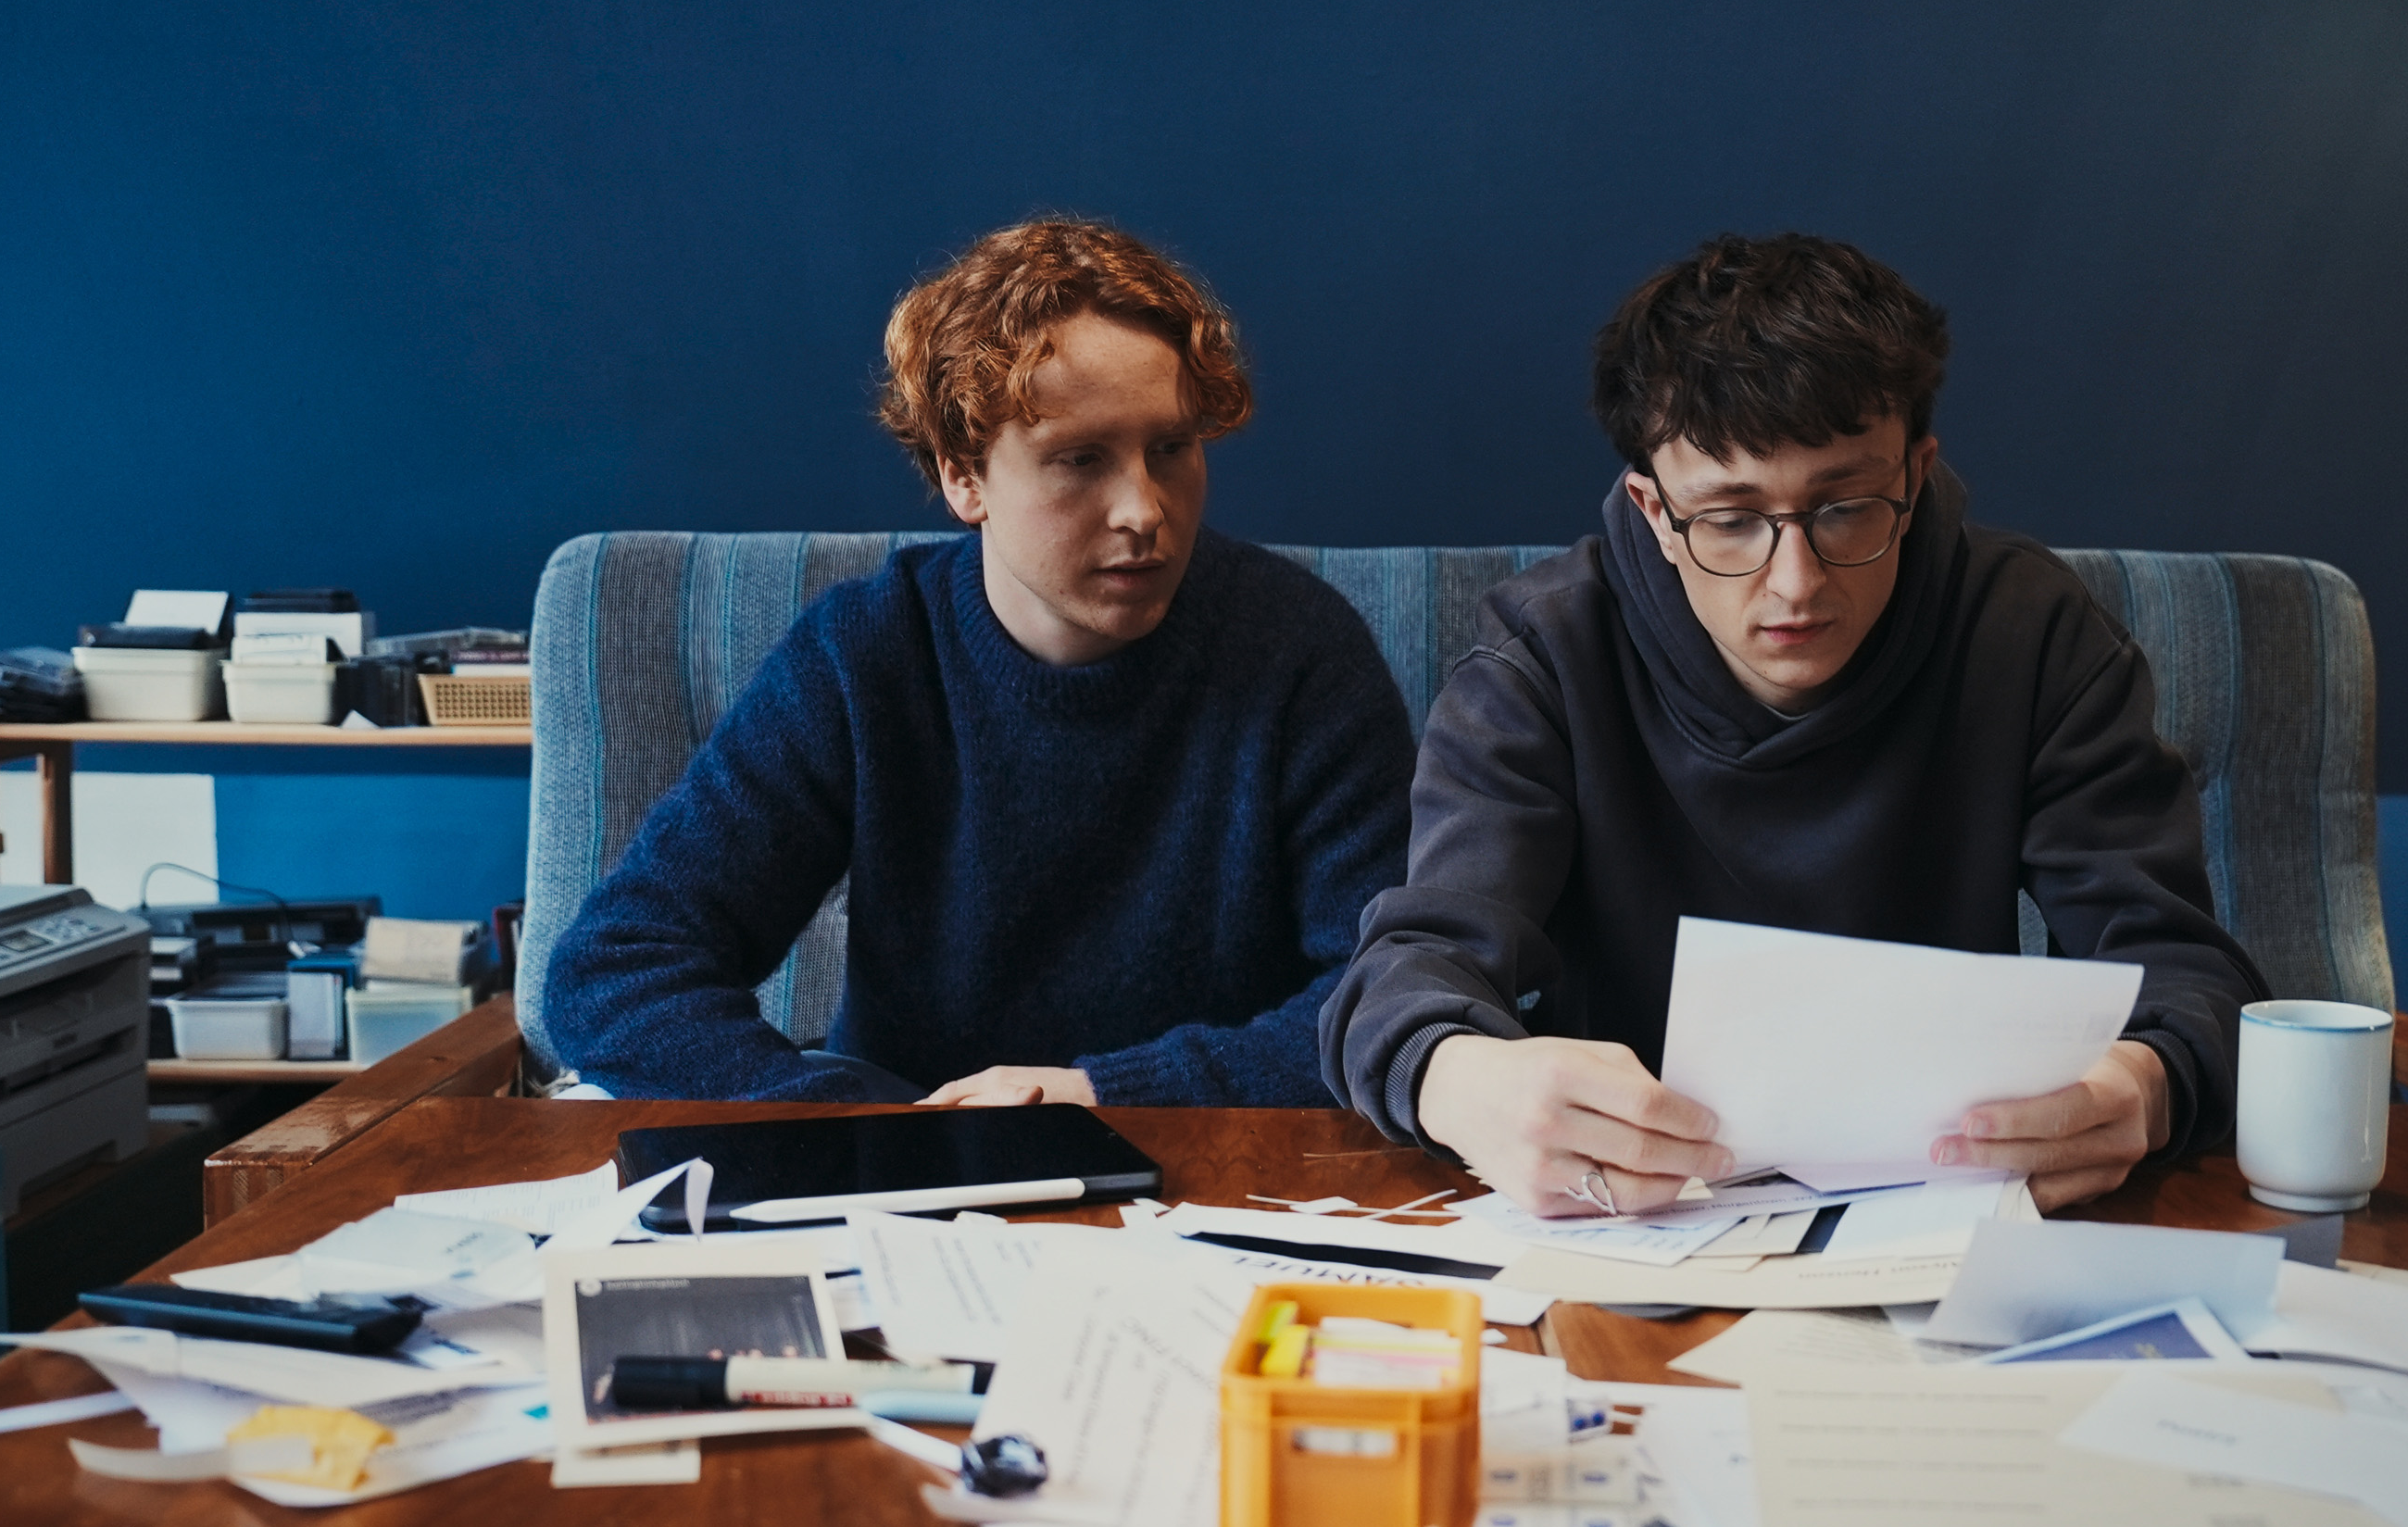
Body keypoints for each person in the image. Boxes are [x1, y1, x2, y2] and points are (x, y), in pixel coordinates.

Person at [1320, 232, 2264, 1211]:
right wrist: (1460, 1079)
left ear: (1914, 472)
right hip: (1640, 1213)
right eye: (1729, 519)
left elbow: (2186, 974)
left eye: (1845, 506)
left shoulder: (2031, 633)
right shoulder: (1542, 660)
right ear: (1651, 510)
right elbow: (1405, 974)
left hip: (1944, 1198)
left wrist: (2139, 1088)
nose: (1795, 584)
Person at [546, 218, 1415, 1108]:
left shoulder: (1296, 647)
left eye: (1170, 449)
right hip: (909, 1180)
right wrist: (853, 1122)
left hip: (1215, 1176)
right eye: (1079, 460)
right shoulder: (866, 656)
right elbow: (615, 972)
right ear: (965, 477)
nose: (1143, 511)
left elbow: (1391, 996)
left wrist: (1099, 1093)